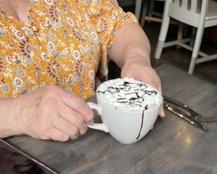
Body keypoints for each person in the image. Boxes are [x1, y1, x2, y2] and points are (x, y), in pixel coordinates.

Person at [0, 0, 163, 141]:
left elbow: (117, 24)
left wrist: (136, 59)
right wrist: (18, 113)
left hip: (92, 142)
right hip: (17, 166)